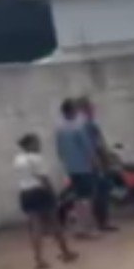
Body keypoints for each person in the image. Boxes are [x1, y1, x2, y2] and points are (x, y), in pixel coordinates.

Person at [15, 133, 77, 269]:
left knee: (35, 227)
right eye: (36, 142)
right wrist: (53, 193)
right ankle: (65, 252)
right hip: (40, 192)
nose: (39, 145)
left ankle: (39, 260)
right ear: (30, 144)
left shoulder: (18, 159)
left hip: (25, 193)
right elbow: (43, 178)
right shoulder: (36, 158)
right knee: (55, 223)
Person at [54, 98, 99, 237]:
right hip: (83, 166)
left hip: (71, 168)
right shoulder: (79, 126)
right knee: (86, 198)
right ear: (72, 110)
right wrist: (93, 161)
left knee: (77, 197)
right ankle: (87, 228)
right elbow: (87, 147)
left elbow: (59, 150)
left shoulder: (59, 128)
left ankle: (79, 227)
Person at [75, 96, 117, 232]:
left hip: (83, 165)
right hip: (96, 163)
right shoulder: (89, 125)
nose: (93, 110)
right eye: (91, 107)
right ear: (85, 109)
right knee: (100, 193)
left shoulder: (77, 126)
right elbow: (98, 145)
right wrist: (106, 160)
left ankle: (95, 223)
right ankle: (101, 223)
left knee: (90, 194)